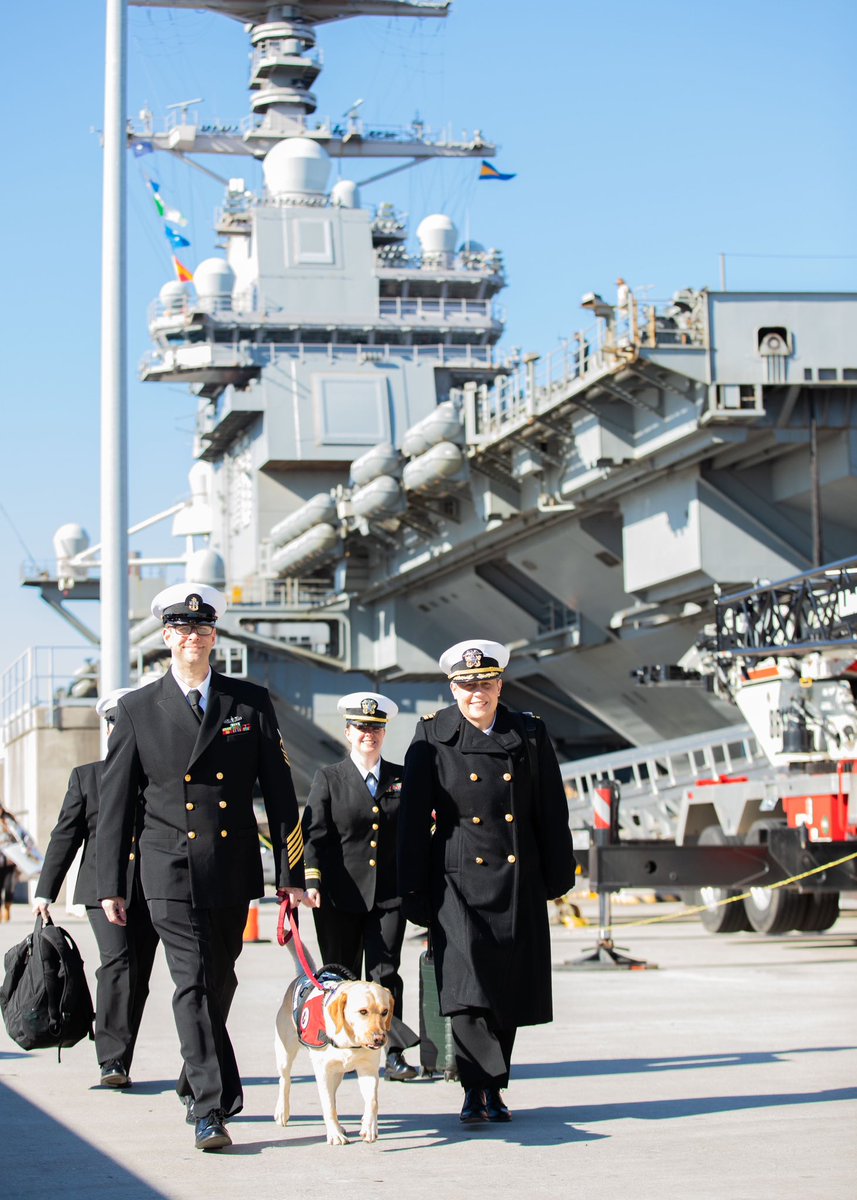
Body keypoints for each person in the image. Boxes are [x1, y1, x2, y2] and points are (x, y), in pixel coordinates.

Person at [96, 583, 305, 1152]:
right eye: (183, 630)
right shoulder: (138, 709)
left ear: (215, 637)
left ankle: (198, 1076)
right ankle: (212, 1108)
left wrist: (292, 875)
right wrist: (111, 883)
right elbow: (115, 805)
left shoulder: (249, 702)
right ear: (166, 638)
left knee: (220, 979)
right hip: (168, 868)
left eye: (203, 629)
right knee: (190, 981)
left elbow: (281, 793)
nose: (193, 638)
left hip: (232, 866)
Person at [398, 639, 576, 1124]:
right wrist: (411, 887)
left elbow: (550, 809)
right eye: (467, 684)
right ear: (452, 688)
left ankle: (493, 1089)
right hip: (455, 880)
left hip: (516, 878)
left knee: (506, 990)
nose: (478, 691)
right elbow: (413, 819)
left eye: (486, 682)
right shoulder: (432, 735)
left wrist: (559, 873)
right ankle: (477, 1088)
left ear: (501, 684)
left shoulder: (529, 733)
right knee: (467, 986)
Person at [33, 688, 159, 1087]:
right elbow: (64, 837)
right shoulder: (87, 777)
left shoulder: (158, 778)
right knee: (118, 963)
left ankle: (122, 1055)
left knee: (138, 976)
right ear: (108, 730)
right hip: (100, 889)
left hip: (151, 889)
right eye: (114, 724)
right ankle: (111, 1059)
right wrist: (44, 891)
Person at [302, 691, 420, 1082]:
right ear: (348, 732)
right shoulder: (329, 778)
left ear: (384, 733)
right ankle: (340, 1045)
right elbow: (314, 834)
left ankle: (395, 1053)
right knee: (341, 977)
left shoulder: (403, 778)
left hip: (388, 895)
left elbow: (417, 832)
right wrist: (312, 880)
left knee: (386, 974)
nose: (368, 734)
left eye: (376, 728)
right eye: (361, 728)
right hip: (339, 896)